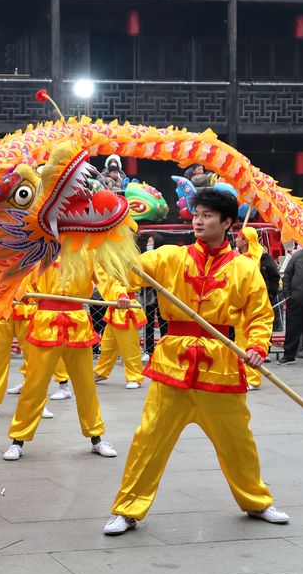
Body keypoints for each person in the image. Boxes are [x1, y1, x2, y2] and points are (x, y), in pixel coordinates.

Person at [104, 189, 287, 536]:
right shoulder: (170, 257)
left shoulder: (245, 269)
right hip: (172, 364)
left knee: (238, 441)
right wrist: (121, 292)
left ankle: (256, 501)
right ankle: (127, 509)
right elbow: (125, 271)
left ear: (227, 222)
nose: (198, 220)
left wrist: (258, 347)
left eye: (207, 215)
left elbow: (260, 314)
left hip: (220, 365)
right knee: (148, 439)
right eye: (197, 214)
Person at [2, 256, 117, 462]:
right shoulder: (40, 252)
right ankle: (17, 440)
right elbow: (23, 282)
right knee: (33, 386)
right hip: (45, 325)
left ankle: (96, 438)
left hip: (77, 326)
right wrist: (17, 293)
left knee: (86, 386)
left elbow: (107, 280)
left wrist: (120, 295)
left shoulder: (87, 253)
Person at [235, 227, 280, 389]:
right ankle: (242, 376)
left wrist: (268, 296)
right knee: (240, 341)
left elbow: (274, 278)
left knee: (253, 342)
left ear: (245, 240)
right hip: (240, 305)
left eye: (239, 237)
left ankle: (253, 379)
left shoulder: (262, 257)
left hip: (256, 305)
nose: (236, 239)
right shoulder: (237, 256)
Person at [93, 272, 145, 390]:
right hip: (114, 307)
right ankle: (101, 371)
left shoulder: (125, 261)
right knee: (108, 345)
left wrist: (121, 294)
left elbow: (119, 282)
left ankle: (135, 376)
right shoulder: (107, 261)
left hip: (126, 307)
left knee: (129, 346)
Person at [138, 233, 168, 361]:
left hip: (162, 295)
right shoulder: (144, 257)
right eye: (148, 242)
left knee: (163, 322)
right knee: (148, 322)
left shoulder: (165, 257)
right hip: (148, 295)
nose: (148, 244)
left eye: (151, 242)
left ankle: (165, 348)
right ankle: (149, 350)